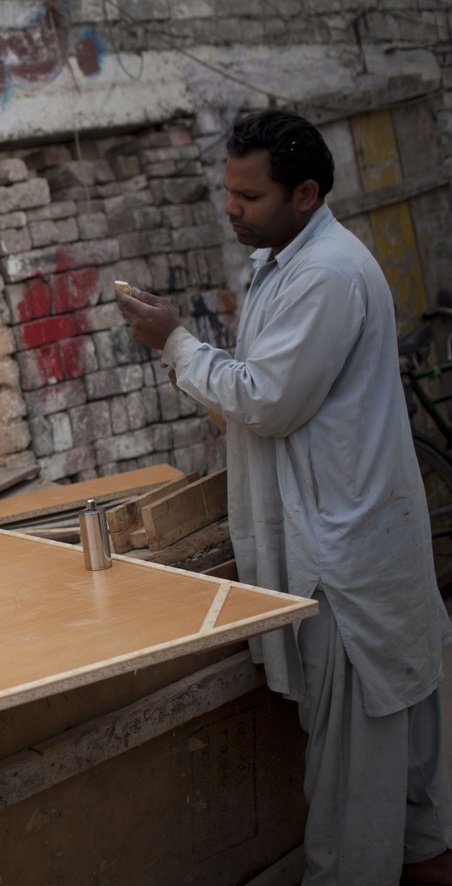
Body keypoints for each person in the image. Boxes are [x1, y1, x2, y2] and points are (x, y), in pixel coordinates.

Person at [115, 108, 452, 885]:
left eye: (250, 196)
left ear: (304, 194)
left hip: (344, 561)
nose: (231, 209)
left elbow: (266, 399)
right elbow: (262, 395)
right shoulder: (285, 262)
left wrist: (174, 340)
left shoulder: (326, 273)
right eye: (228, 192)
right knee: (404, 769)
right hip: (353, 541)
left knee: (352, 785)